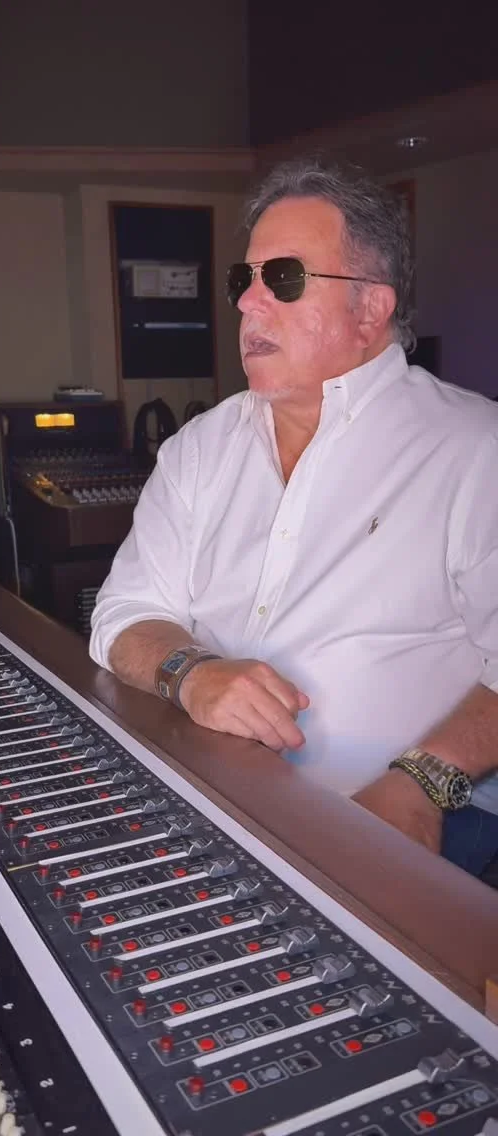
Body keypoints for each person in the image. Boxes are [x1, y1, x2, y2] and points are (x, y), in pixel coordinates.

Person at [89, 157, 498, 882]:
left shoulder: (475, 450)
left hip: (415, 810)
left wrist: (423, 781)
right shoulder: (198, 450)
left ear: (370, 310)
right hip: (210, 800)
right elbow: (124, 614)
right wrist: (189, 672)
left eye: (281, 278)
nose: (249, 303)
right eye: (242, 280)